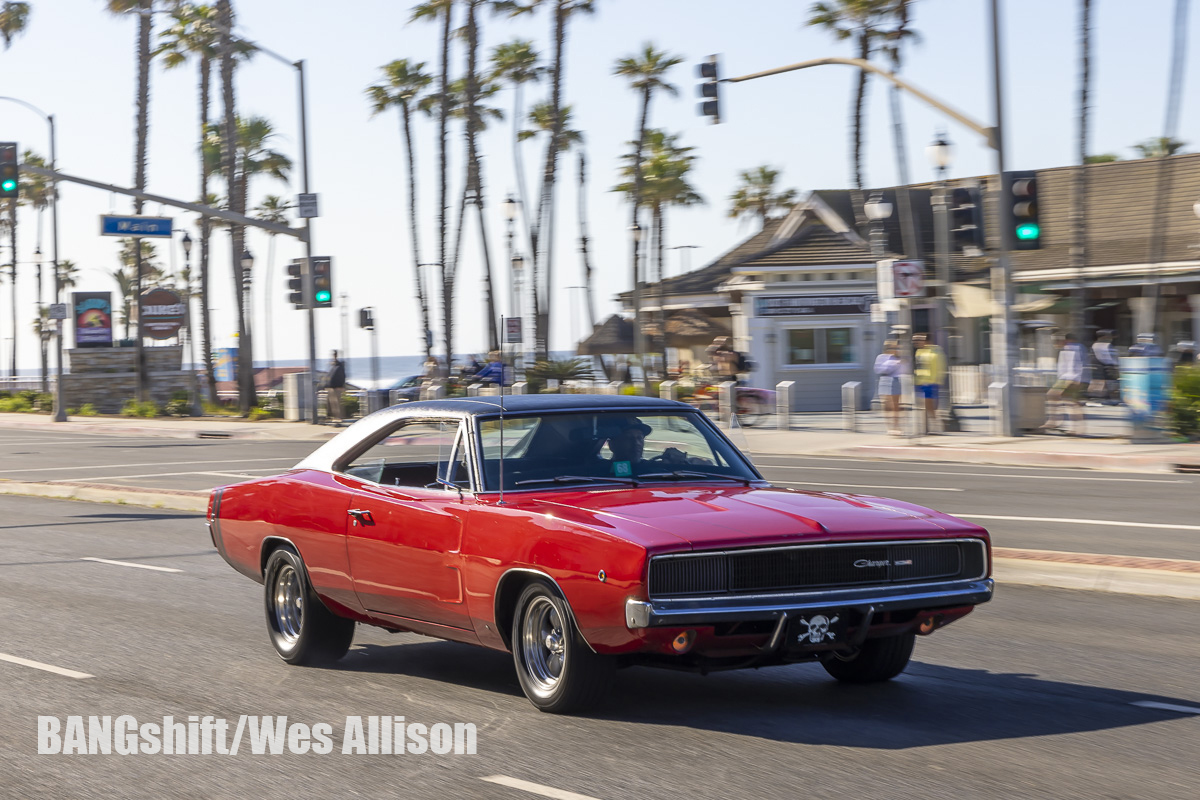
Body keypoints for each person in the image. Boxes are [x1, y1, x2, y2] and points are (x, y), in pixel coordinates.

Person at [1041, 334, 1085, 435]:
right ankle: (1061, 423)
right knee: (1069, 402)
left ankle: (1059, 423)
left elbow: (1075, 365)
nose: (1055, 344)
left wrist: (1073, 380)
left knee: (1069, 402)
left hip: (1071, 378)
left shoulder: (1073, 348)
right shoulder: (1066, 349)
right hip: (1065, 378)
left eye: (1056, 341)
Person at [912, 334, 946, 434]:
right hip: (920, 382)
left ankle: (935, 425)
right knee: (923, 406)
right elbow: (919, 367)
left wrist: (938, 378)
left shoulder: (936, 351)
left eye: (919, 340)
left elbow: (940, 365)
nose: (917, 342)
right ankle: (928, 426)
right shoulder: (919, 352)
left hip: (931, 382)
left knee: (930, 405)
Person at [874, 340, 903, 435]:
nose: (894, 350)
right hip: (884, 379)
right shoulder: (881, 357)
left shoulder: (898, 358)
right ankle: (889, 427)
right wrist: (891, 365)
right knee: (886, 405)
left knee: (895, 405)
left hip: (895, 379)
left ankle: (896, 426)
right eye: (891, 348)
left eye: (895, 348)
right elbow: (878, 369)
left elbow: (901, 370)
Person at [1091, 330, 1120, 404]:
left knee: (1103, 383)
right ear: (1104, 336)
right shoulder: (1106, 345)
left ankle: (1099, 397)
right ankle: (1109, 398)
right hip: (1108, 366)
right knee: (1111, 383)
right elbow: (1110, 357)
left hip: (1099, 366)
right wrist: (1116, 365)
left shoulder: (1094, 345)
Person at [324, 350, 347, 424]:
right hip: (331, 387)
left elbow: (342, 375)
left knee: (337, 403)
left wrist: (341, 385)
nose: (333, 356)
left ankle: (339, 417)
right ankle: (335, 417)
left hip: (337, 387)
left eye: (334, 354)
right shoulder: (332, 365)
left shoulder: (339, 365)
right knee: (332, 404)